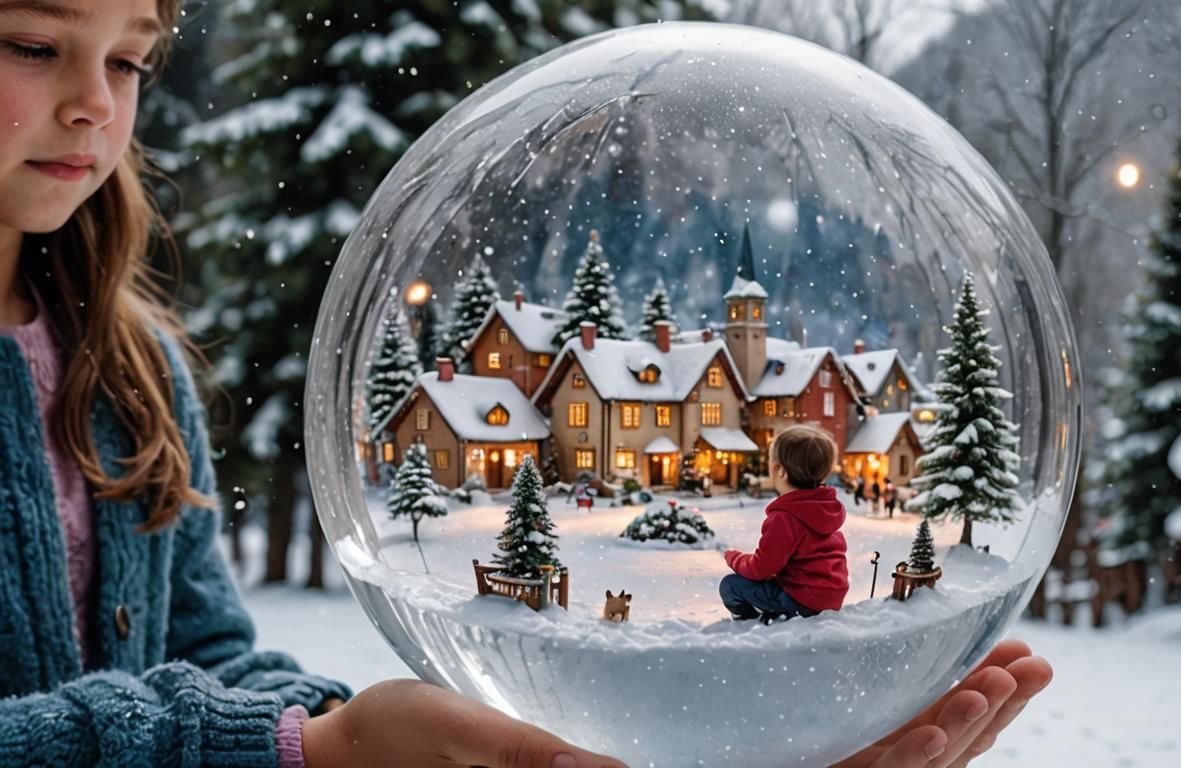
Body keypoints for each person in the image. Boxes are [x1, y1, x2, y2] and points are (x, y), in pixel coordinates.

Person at [0, 2, 1051, 765]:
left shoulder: (127, 374)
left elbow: (206, 660)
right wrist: (314, 751)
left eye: (132, 59)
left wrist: (322, 735)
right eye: (34, 45)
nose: (96, 103)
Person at [721, 425, 848, 621]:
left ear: (780, 471)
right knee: (772, 582)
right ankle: (776, 611)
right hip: (828, 599)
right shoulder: (826, 509)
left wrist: (734, 558)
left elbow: (761, 568)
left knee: (730, 585)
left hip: (800, 601)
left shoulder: (786, 517)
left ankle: (753, 624)